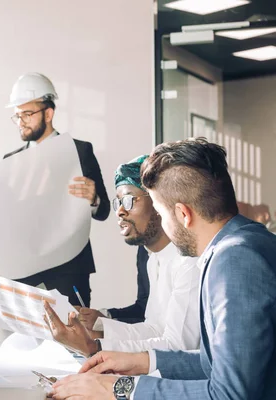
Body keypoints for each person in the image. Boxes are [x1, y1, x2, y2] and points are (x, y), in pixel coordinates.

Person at [50, 138, 276, 400]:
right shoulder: (245, 241)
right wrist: (142, 361)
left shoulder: (235, 260)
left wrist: (116, 389)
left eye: (160, 210)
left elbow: (230, 394)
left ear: (183, 214)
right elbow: (215, 364)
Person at [44, 155, 200, 355]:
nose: (120, 212)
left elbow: (177, 347)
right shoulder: (153, 258)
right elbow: (153, 328)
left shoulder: (188, 261)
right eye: (118, 203)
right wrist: (97, 328)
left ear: (159, 202)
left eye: (128, 200)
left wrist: (96, 346)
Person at [3, 72, 110, 307]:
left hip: (68, 269)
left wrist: (93, 199)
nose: (21, 121)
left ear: (49, 113)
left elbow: (104, 211)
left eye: (27, 114)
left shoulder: (80, 151)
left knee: (73, 338)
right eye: (17, 115)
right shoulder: (10, 160)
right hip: (25, 271)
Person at [78, 246, 149, 328]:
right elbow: (143, 306)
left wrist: (104, 325)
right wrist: (104, 316)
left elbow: (161, 325)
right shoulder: (143, 250)